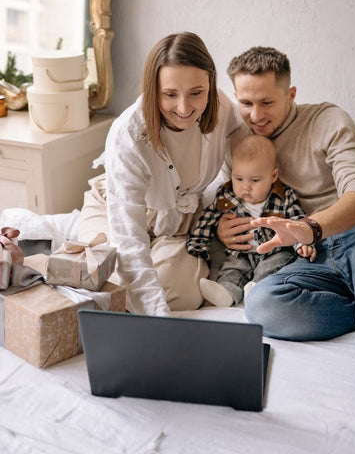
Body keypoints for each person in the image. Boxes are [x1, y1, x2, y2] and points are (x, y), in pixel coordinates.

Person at [217, 46, 355, 421]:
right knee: (264, 304)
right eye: (246, 103)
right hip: (310, 255)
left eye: (267, 102)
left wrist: (310, 227)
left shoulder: (328, 120)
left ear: (291, 94)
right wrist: (222, 222)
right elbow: (229, 195)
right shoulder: (239, 140)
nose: (255, 115)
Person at [78, 32, 247, 317]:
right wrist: (159, 321)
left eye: (196, 92)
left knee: (180, 293)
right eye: (170, 94)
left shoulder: (221, 108)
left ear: (210, 84)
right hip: (114, 210)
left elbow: (244, 157)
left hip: (180, 220)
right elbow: (128, 237)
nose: (184, 108)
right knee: (112, 283)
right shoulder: (128, 133)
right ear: (153, 89)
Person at [187, 134, 315, 306]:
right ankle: (226, 292)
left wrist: (302, 244)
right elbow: (208, 219)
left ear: (273, 176)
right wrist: (198, 244)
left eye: (255, 180)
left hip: (274, 251)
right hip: (242, 252)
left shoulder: (284, 197)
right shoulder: (227, 196)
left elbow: (297, 222)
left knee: (274, 266)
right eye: (238, 179)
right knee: (232, 268)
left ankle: (257, 289)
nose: (245, 186)